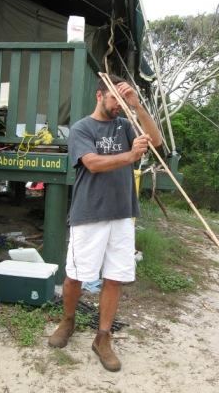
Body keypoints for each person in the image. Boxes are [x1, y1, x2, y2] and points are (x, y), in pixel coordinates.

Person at [48, 75, 162, 371]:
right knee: (76, 275)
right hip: (89, 213)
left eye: (125, 101)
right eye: (117, 100)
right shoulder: (81, 128)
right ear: (100, 95)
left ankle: (103, 337)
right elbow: (92, 163)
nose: (119, 107)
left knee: (115, 276)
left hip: (122, 213)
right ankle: (68, 321)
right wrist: (131, 156)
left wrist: (137, 106)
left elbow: (157, 140)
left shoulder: (125, 124)